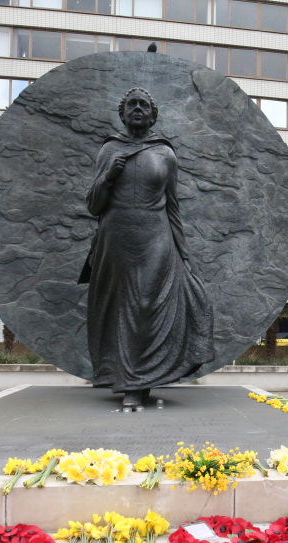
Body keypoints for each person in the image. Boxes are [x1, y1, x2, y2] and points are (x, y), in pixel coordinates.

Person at [79, 87, 214, 408]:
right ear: (123, 113)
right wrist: (109, 176)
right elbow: (93, 205)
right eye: (131, 105)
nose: (137, 109)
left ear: (153, 115)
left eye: (143, 105)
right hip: (116, 241)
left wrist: (184, 256)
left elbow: (173, 207)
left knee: (148, 307)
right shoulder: (109, 150)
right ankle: (127, 382)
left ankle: (142, 381)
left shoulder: (165, 153)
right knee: (120, 310)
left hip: (157, 240)